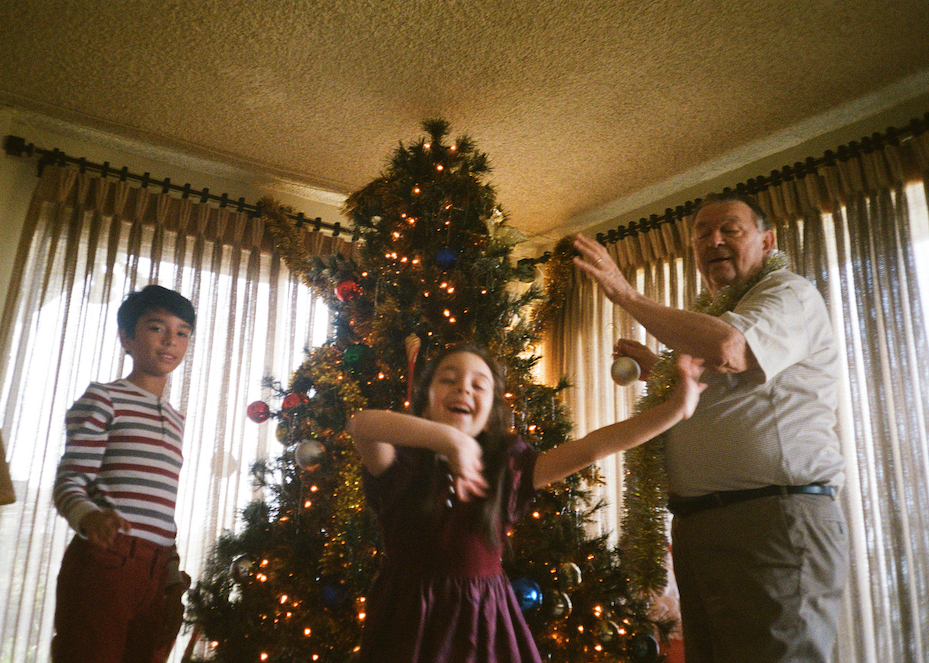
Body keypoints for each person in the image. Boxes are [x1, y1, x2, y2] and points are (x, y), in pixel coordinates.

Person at [573, 191, 848, 663]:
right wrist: (659, 369)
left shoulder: (789, 292)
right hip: (701, 527)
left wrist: (625, 294)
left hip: (772, 521)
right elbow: (716, 392)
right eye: (702, 233)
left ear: (767, 241)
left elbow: (729, 349)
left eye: (730, 229)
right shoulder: (717, 315)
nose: (713, 240)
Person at [347, 343, 705, 662]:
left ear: (491, 410)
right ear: (425, 398)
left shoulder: (509, 468)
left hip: (483, 624)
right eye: (448, 379)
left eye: (478, 384)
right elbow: (361, 424)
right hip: (408, 621)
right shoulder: (400, 463)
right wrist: (447, 440)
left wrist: (675, 409)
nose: (463, 388)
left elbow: (594, 446)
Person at [51, 285, 196, 663]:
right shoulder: (104, 398)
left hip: (158, 571)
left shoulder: (177, 419)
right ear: (126, 337)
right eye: (156, 328)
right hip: (107, 563)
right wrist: (89, 517)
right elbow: (69, 482)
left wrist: (170, 570)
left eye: (182, 332)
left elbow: (160, 503)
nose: (171, 340)